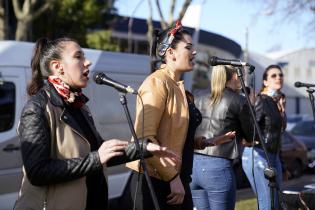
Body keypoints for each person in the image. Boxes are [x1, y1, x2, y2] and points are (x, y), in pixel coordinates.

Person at [13, 37, 180, 210]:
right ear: (58, 67)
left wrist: (144, 148)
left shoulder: (79, 106)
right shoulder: (37, 108)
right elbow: (37, 172)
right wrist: (96, 158)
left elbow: (104, 153)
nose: (88, 62)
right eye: (79, 57)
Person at [124, 22, 235, 210]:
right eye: (188, 48)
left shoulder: (179, 87)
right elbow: (144, 139)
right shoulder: (157, 83)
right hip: (156, 180)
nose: (194, 53)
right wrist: (172, 177)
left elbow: (175, 135)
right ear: (170, 53)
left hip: (176, 179)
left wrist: (206, 142)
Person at [190, 65, 254, 210]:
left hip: (194, 165)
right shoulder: (239, 101)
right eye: (242, 75)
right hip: (218, 167)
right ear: (236, 76)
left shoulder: (198, 95)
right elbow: (251, 135)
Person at [242, 64, 287, 210]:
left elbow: (278, 133)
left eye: (280, 75)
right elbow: (250, 127)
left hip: (273, 155)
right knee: (268, 203)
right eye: (273, 75)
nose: (278, 77)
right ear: (265, 82)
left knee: (277, 202)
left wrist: (282, 162)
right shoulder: (261, 99)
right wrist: (250, 141)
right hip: (258, 153)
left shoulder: (279, 102)